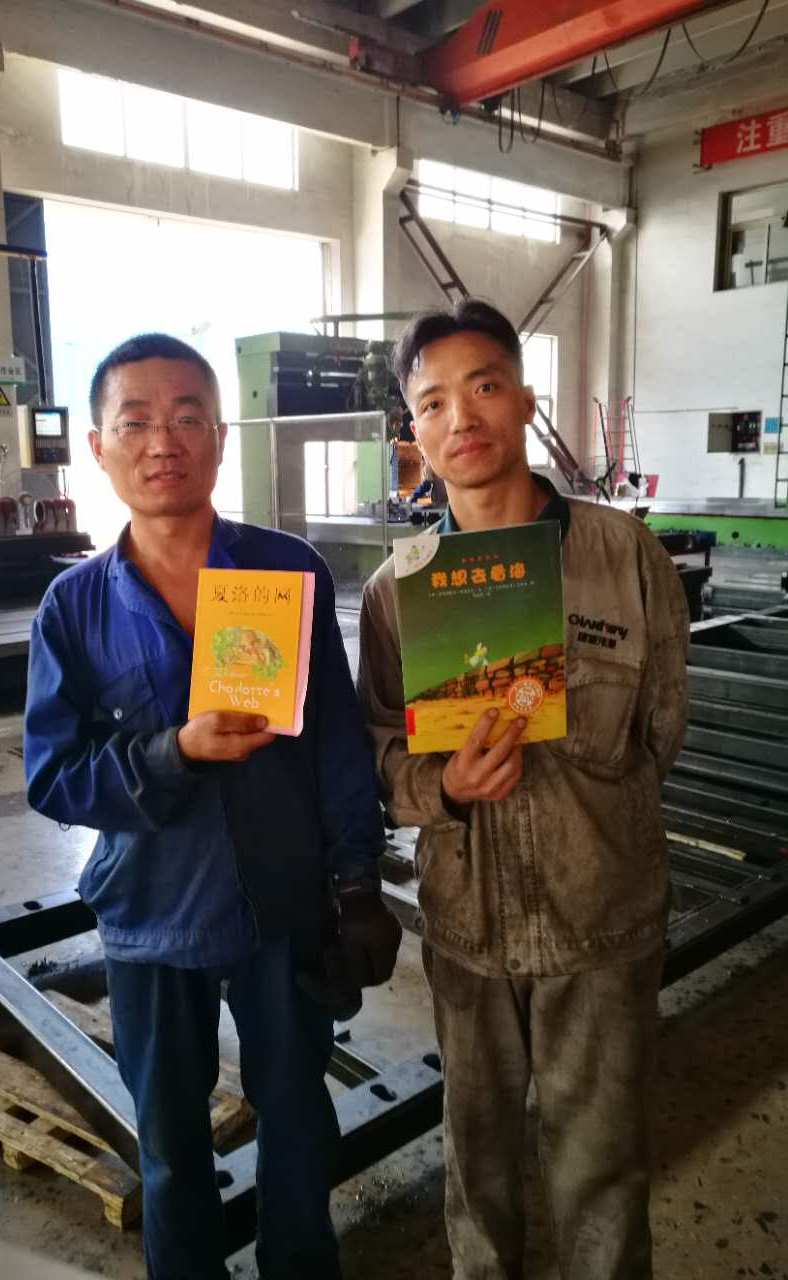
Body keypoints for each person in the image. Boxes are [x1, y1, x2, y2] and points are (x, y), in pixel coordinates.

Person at [23, 333, 401, 1280]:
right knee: (171, 1146)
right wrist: (174, 753)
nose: (164, 441)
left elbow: (335, 743)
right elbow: (54, 775)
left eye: (188, 417)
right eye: (136, 423)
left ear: (221, 438)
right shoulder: (73, 608)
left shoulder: (288, 571)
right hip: (152, 919)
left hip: (283, 908)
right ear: (99, 448)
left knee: (297, 1123)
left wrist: (358, 883)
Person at [357, 300, 689, 1280]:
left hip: (603, 927)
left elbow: (663, 725)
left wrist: (594, 821)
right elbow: (378, 752)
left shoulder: (623, 555)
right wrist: (447, 787)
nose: (461, 416)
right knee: (479, 1177)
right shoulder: (397, 589)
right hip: (469, 934)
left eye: (485, 386)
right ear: (414, 430)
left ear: (526, 399)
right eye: (433, 402)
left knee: (603, 1178)